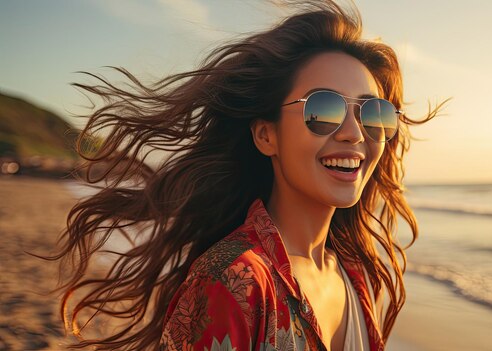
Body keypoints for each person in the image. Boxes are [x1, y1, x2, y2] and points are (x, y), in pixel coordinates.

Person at [49, 1, 449, 350]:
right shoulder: (232, 280)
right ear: (266, 134)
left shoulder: (352, 276)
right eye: (323, 110)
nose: (354, 132)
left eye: (373, 113)